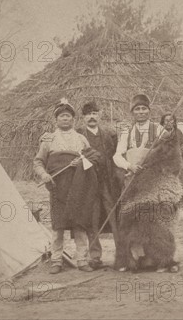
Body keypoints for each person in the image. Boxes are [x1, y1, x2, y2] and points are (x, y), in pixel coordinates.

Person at [33, 98, 100, 274]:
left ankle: (82, 260)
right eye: (62, 116)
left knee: (80, 224)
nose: (65, 119)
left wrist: (81, 161)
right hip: (57, 187)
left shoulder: (82, 139)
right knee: (58, 226)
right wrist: (44, 175)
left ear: (73, 119)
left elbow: (92, 160)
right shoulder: (48, 139)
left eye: (68, 116)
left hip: (79, 187)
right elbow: (38, 162)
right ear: (56, 120)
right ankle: (56, 260)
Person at [76, 101, 121, 270]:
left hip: (108, 183)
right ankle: (95, 256)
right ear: (83, 117)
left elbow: (117, 157)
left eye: (95, 113)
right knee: (92, 219)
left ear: (100, 115)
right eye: (88, 114)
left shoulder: (110, 135)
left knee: (114, 216)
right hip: (88, 184)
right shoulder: (78, 136)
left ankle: (121, 254)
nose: (92, 117)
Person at [113, 94, 163, 187]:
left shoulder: (159, 129)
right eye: (137, 109)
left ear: (149, 111)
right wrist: (129, 166)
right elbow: (117, 156)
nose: (141, 112)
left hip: (154, 176)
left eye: (144, 108)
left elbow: (167, 153)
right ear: (132, 112)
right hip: (133, 177)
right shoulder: (126, 132)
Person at [161, 113, 183, 202]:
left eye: (171, 120)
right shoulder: (160, 132)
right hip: (165, 160)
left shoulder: (178, 132)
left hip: (178, 159)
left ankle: (181, 198)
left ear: (174, 122)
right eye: (166, 120)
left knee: (180, 177)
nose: (169, 122)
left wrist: (182, 149)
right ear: (163, 122)